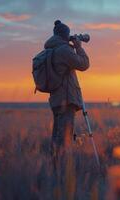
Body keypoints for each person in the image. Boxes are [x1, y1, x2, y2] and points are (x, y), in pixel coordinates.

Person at [44, 20, 90, 156]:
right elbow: (84, 64)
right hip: (67, 98)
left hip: (56, 99)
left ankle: (54, 167)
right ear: (65, 35)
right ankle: (62, 168)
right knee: (64, 138)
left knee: (57, 135)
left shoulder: (50, 49)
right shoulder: (63, 50)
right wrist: (79, 47)